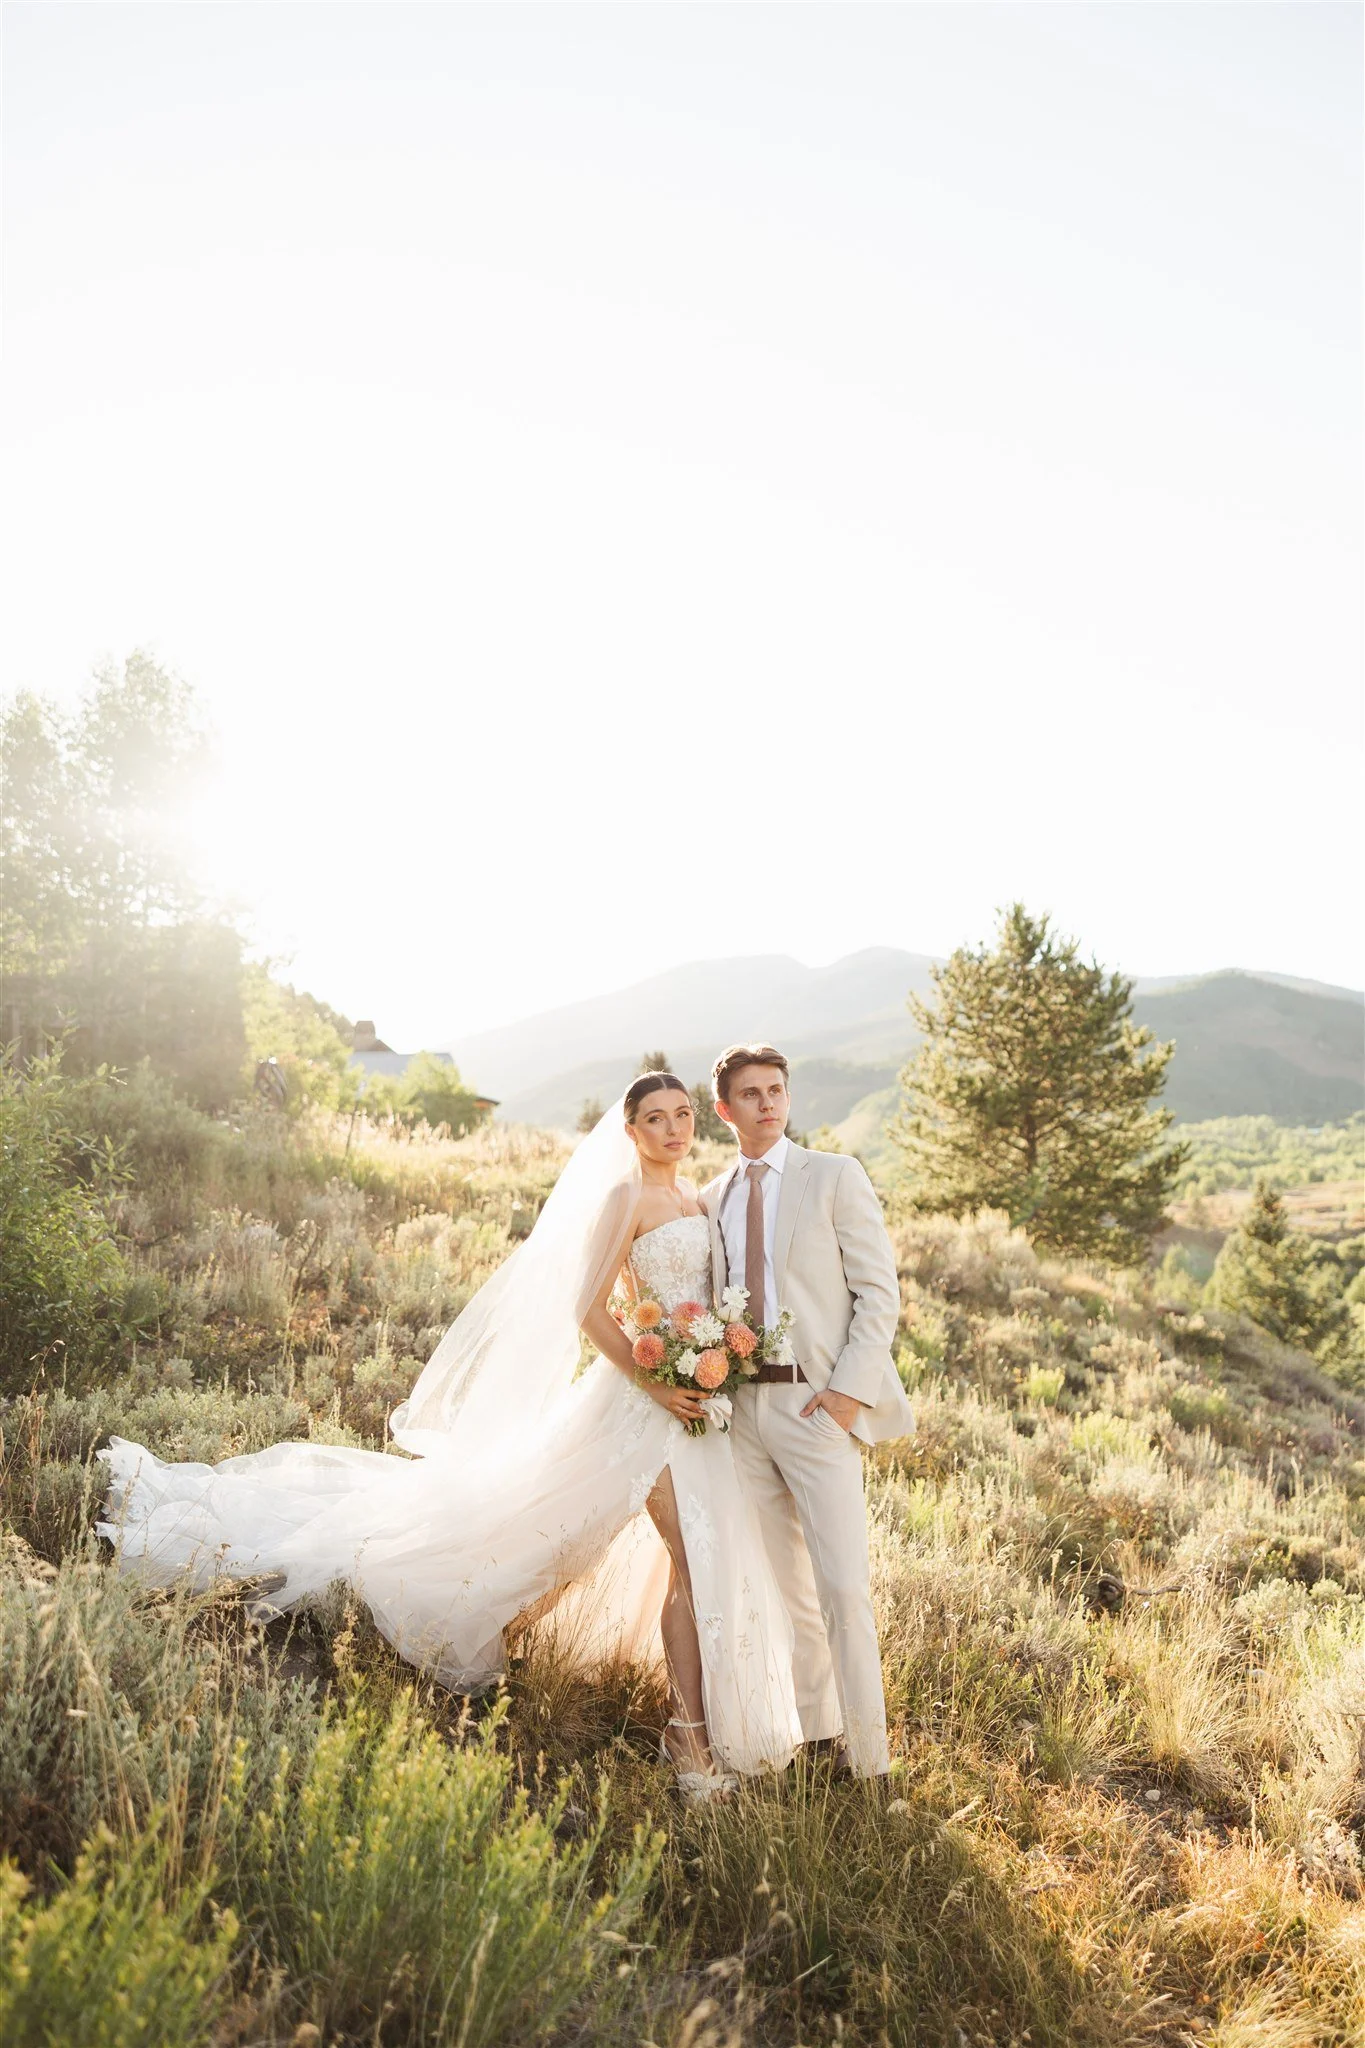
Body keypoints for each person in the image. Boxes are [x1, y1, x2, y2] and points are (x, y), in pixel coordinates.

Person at [99, 1075, 801, 1802]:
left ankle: (679, 1710)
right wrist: (653, 1381)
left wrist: (716, 1357)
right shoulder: (626, 1197)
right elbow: (587, 1309)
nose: (672, 1129)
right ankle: (686, 1737)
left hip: (693, 1400)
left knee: (655, 1553)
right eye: (654, 1118)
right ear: (629, 1131)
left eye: (682, 1115)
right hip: (639, 1400)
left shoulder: (697, 1198)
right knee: (671, 1553)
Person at [700, 1043, 913, 1780]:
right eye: (752, 1094)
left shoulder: (833, 1177)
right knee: (784, 1589)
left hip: (816, 1406)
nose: (768, 1104)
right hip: (744, 1415)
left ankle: (873, 1762)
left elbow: (878, 1293)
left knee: (843, 1589)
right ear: (723, 1110)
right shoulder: (712, 1197)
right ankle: (819, 1743)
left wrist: (848, 1394)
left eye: (777, 1090)